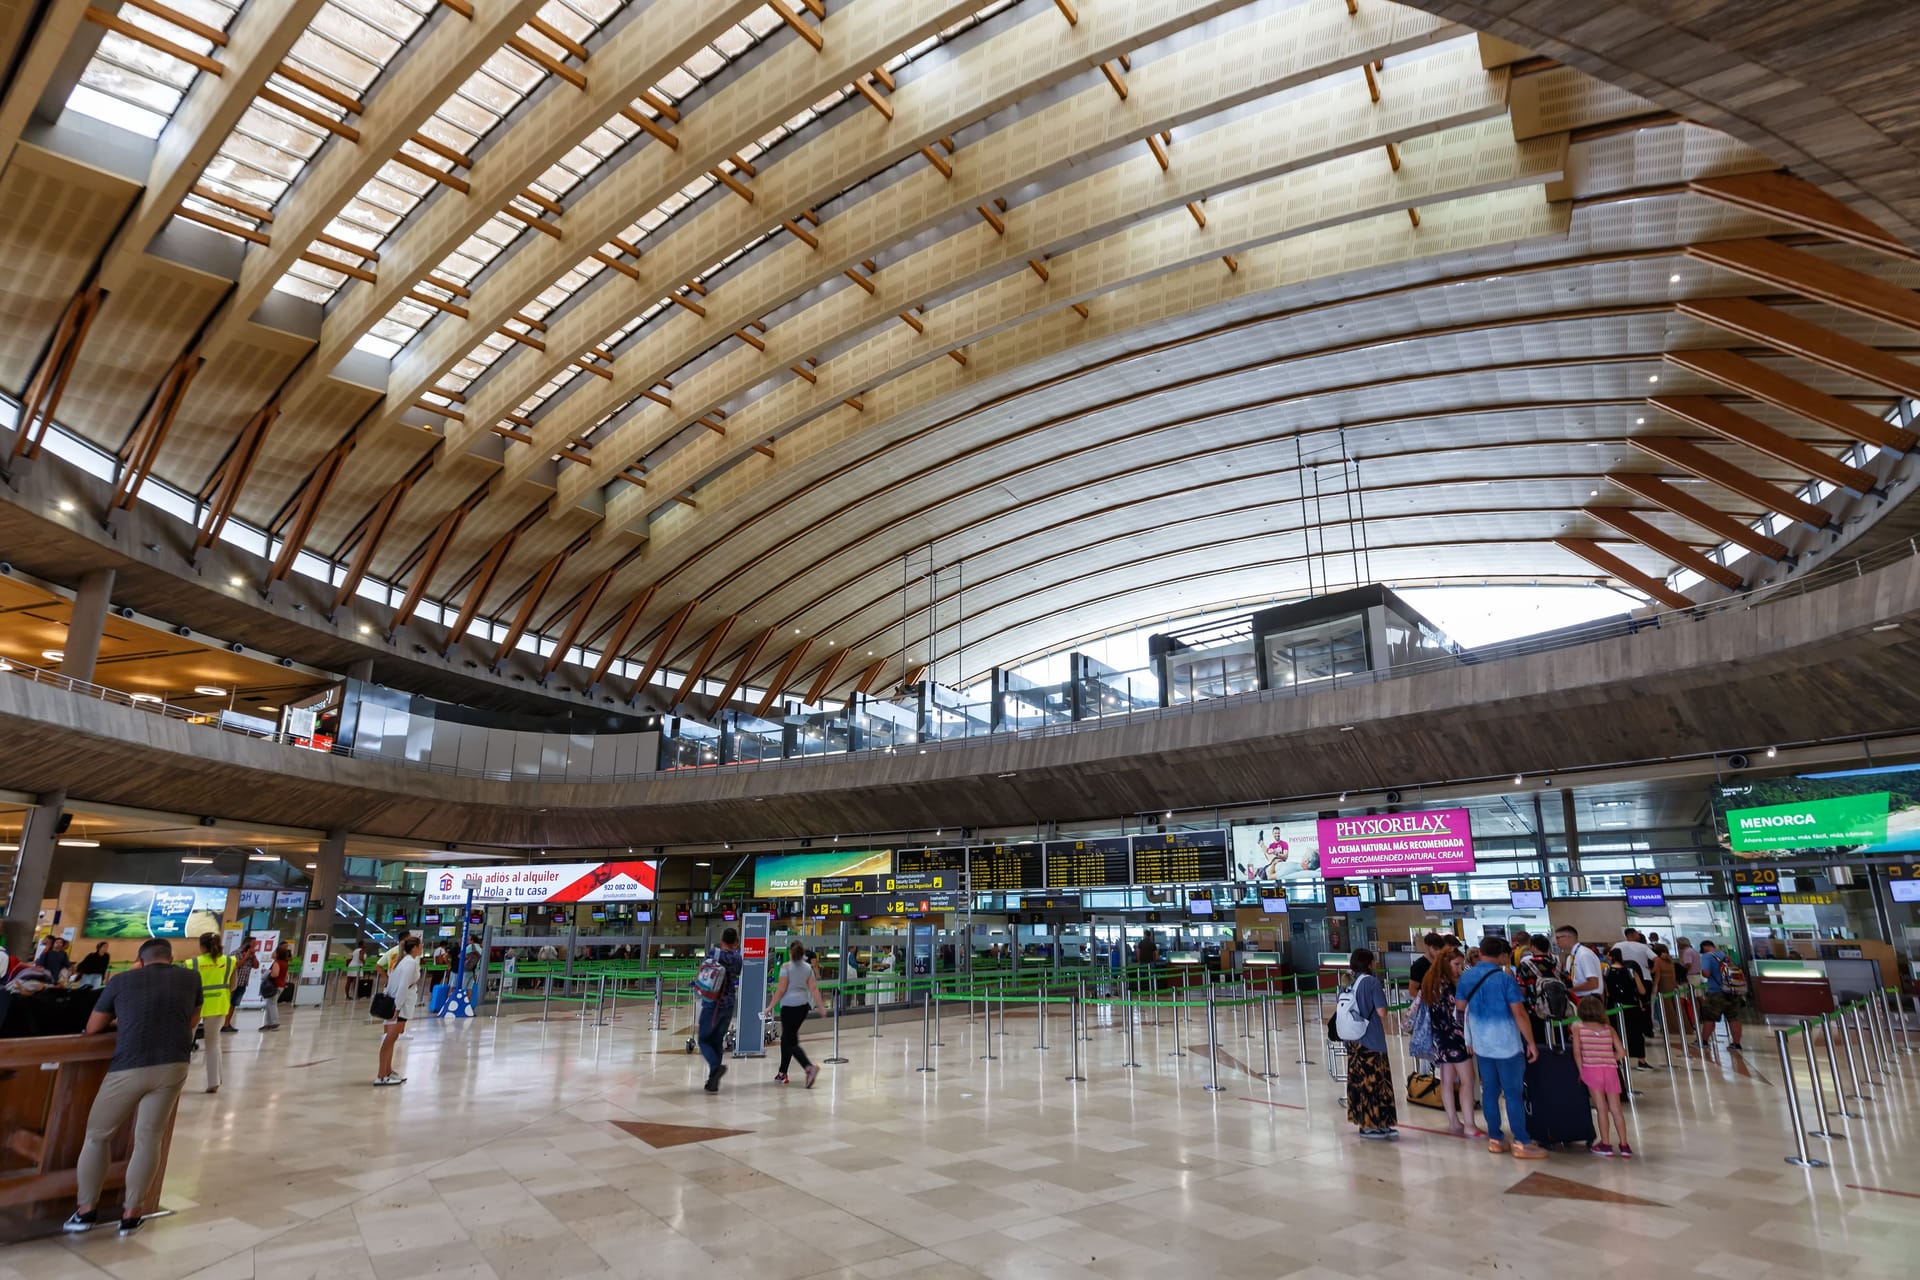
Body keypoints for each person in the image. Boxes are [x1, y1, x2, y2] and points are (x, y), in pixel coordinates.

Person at [62, 938, 201, 1236]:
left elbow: (94, 1027)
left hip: (128, 1066)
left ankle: (86, 1212)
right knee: (149, 1138)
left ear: (140, 960)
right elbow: (192, 1019)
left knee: (98, 1136)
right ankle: (131, 1215)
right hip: (173, 1065)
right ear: (171, 957)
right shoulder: (191, 978)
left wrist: (123, 1021)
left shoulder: (122, 980)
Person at [1455, 936, 1545, 1159]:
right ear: (1503, 955)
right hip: (1506, 1044)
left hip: (1481, 1044)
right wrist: (1531, 1042)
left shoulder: (1466, 977)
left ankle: (1495, 1139)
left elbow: (1459, 1006)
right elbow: (1519, 1013)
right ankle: (1522, 1142)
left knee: (1490, 1092)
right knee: (1513, 1093)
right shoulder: (1505, 979)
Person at [1340, 948, 1398, 1140]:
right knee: (1377, 1081)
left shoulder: (1347, 982)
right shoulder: (1371, 982)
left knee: (1360, 1082)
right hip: (1371, 1039)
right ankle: (1376, 1123)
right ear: (1370, 963)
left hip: (1353, 1040)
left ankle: (1367, 1122)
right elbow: (1382, 1012)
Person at [1423, 948, 1478, 1137]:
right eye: (1456, 965)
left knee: (1446, 1081)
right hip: (1456, 1038)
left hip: (1440, 1038)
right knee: (1467, 1080)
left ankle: (1454, 1121)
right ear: (1447, 964)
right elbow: (1457, 1015)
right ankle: (1470, 1124)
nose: (1460, 969)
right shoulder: (1447, 986)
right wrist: (1469, 1036)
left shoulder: (1431, 982)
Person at [1572, 995, 1631, 1157]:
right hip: (1611, 1071)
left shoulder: (1578, 1028)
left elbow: (1577, 1053)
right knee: (1616, 1109)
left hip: (1592, 1070)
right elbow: (1622, 1052)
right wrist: (1608, 1057)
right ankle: (1624, 1145)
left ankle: (1606, 1143)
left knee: (1602, 1108)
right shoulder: (1609, 1029)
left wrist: (1581, 1071)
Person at [764, 940, 826, 1087]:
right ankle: (782, 1073)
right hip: (803, 1007)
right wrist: (821, 1006)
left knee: (790, 1041)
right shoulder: (807, 968)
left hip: (789, 1007)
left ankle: (809, 1067)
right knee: (787, 1038)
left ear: (791, 953)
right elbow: (814, 989)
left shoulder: (786, 967)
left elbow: (781, 990)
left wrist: (770, 1007)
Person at [696, 927, 743, 1093]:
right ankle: (712, 1081)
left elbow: (704, 971)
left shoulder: (714, 953)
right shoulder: (738, 958)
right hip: (729, 1004)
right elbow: (736, 973)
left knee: (703, 1039)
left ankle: (715, 1068)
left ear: (722, 940)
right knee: (717, 1040)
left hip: (713, 1003)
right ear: (736, 942)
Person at [191, 933, 234, 1094]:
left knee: (184, 1044)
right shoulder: (230, 961)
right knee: (213, 1044)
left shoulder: (192, 963)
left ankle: (176, 1081)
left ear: (201, 946)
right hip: (218, 1005)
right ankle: (214, 1081)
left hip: (194, 1007)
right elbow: (233, 985)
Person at [375, 937, 422, 1086]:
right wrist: (397, 1007)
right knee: (389, 1039)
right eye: (420, 946)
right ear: (414, 948)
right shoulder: (409, 963)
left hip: (397, 1003)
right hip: (399, 1007)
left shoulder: (403, 962)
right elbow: (402, 986)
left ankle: (388, 1071)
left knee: (392, 1039)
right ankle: (381, 1075)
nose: (422, 949)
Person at [1605, 946, 1652, 1071]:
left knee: (1615, 1032)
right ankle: (1641, 1060)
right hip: (1631, 1005)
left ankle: (1618, 1060)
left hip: (1613, 1006)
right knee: (1635, 1032)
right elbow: (1642, 990)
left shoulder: (1606, 971)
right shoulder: (1631, 971)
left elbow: (1607, 992)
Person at [1697, 940, 1744, 1052]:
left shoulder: (1707, 956)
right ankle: (1737, 1044)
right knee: (1734, 1018)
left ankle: (1703, 1041)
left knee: (1710, 1018)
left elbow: (1706, 973)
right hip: (1732, 990)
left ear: (1704, 947)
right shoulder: (1726, 956)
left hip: (1716, 991)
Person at [1556, 925, 1603, 1008]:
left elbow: (1593, 983)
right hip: (1582, 998)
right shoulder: (1575, 955)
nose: (1556, 942)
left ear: (1567, 937)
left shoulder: (1584, 954)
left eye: (1558, 938)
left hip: (1590, 1000)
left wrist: (1569, 990)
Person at [224, 934, 256, 1032]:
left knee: (234, 1004)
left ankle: (227, 1024)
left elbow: (256, 966)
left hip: (243, 983)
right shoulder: (235, 953)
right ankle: (223, 1023)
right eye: (254, 944)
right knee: (228, 1003)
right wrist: (246, 956)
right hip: (234, 983)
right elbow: (236, 966)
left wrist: (253, 956)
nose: (255, 946)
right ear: (247, 944)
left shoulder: (251, 955)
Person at [258, 945, 290, 1031]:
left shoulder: (277, 963)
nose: (272, 953)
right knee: (270, 1004)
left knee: (271, 1004)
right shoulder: (285, 963)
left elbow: (275, 974)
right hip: (280, 985)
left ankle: (274, 1022)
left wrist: (267, 974)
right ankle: (268, 1023)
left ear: (278, 954)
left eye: (275, 952)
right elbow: (286, 975)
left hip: (274, 985)